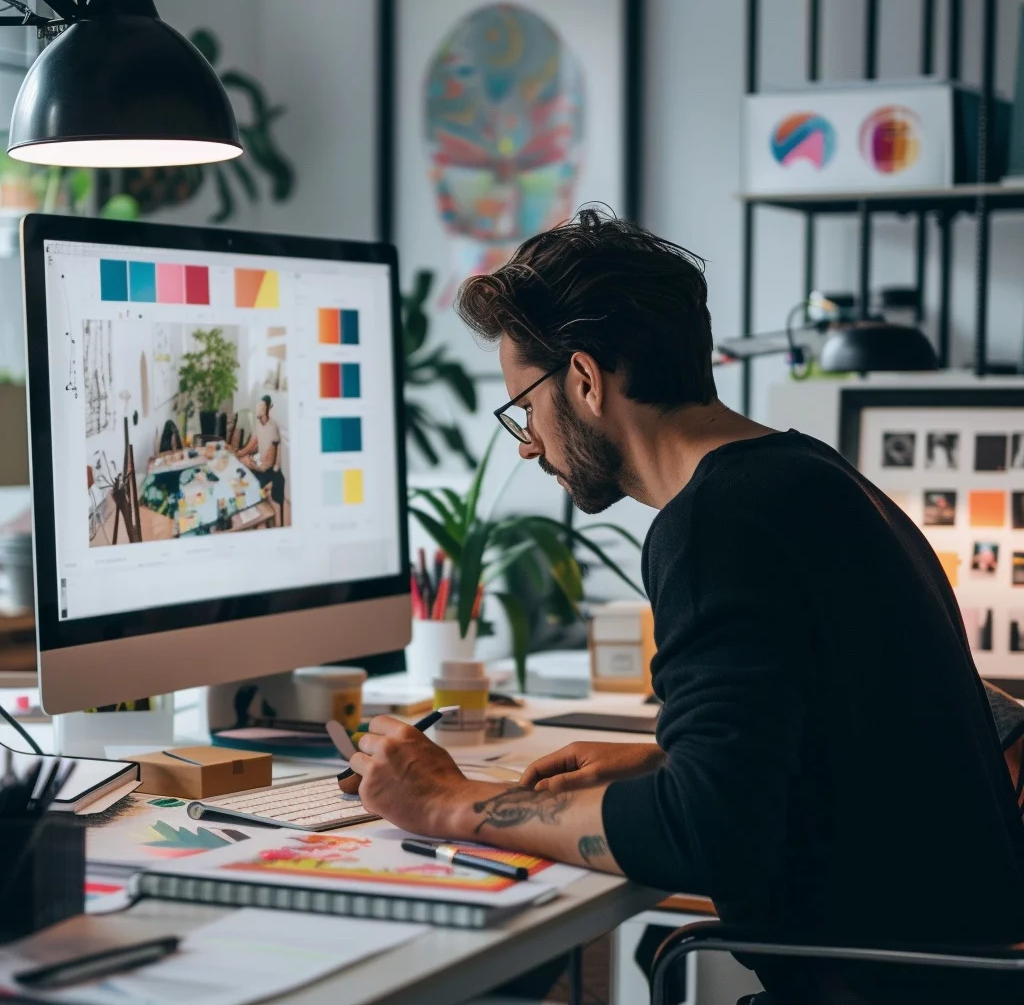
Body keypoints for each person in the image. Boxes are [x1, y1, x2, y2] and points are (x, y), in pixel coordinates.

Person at [340, 210, 1024, 1003]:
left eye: (525, 408)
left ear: (587, 381)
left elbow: (708, 837)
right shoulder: (811, 476)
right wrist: (677, 760)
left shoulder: (714, 525)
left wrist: (450, 802)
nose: (528, 444)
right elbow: (874, 725)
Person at [238, 394, 280, 489]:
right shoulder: (258, 423)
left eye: (262, 406)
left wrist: (251, 465)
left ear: (268, 408)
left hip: (266, 472)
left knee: (248, 486)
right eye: (258, 405)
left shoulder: (272, 428)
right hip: (257, 464)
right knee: (236, 474)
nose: (258, 408)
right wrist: (237, 454)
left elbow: (267, 465)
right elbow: (251, 446)